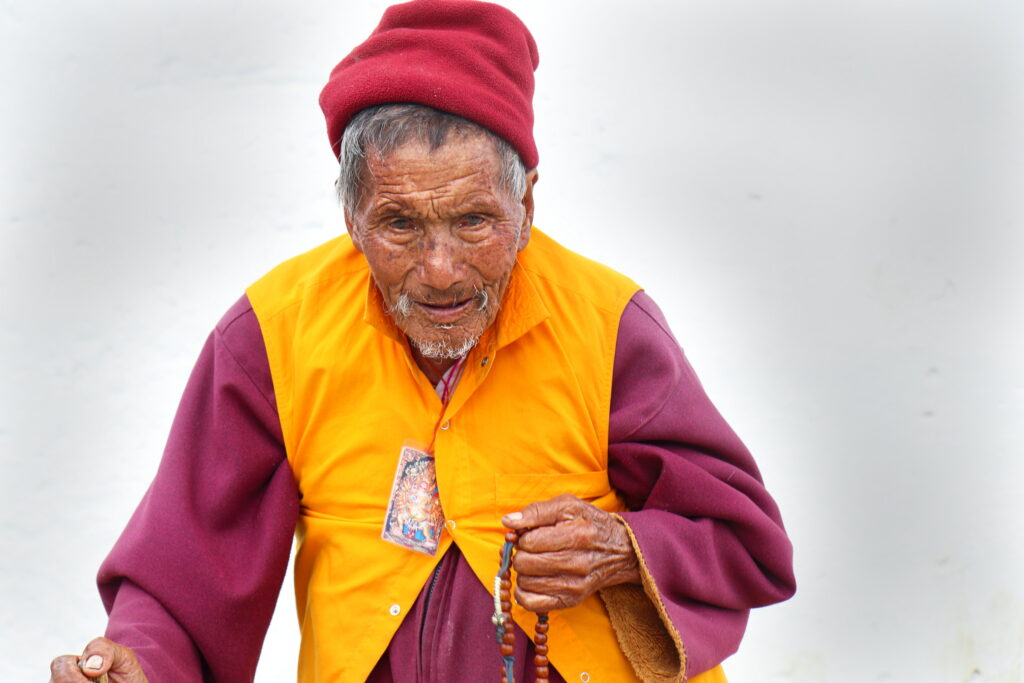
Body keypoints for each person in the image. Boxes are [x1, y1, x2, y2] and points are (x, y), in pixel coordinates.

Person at [49, 2, 795, 682]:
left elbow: (745, 541)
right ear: (352, 218)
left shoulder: (609, 322)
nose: (440, 272)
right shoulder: (276, 330)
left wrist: (622, 548)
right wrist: (139, 661)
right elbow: (187, 564)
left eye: (474, 220)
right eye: (400, 224)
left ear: (526, 200)